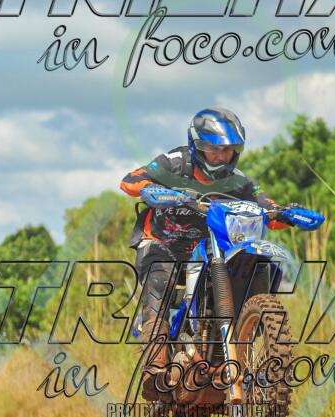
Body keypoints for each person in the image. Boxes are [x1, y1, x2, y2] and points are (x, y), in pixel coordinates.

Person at [119, 107, 292, 400]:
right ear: (197, 146)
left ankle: (245, 344)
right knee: (160, 278)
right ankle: (156, 366)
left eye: (228, 150)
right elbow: (130, 180)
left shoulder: (238, 181)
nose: (221, 156)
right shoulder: (174, 163)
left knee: (252, 266)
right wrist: (152, 189)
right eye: (214, 149)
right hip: (163, 243)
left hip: (208, 248)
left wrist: (284, 213)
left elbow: (266, 205)